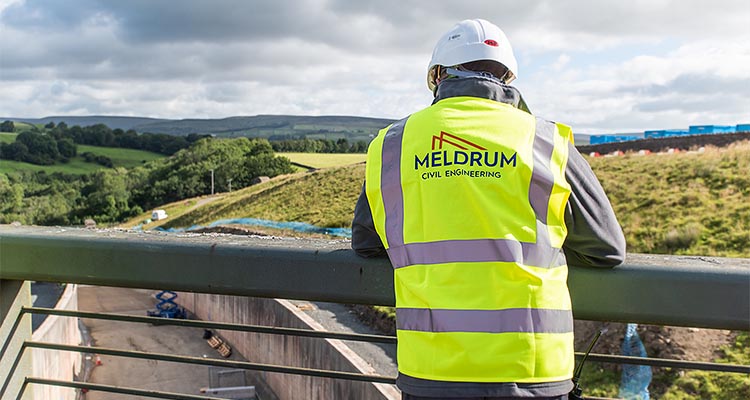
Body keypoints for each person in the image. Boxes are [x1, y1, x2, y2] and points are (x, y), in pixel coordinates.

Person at [351, 19, 626, 400]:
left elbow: (366, 243)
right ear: (508, 78)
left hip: (432, 370)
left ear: (437, 76)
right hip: (533, 369)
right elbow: (607, 248)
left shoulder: (392, 145)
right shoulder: (545, 139)